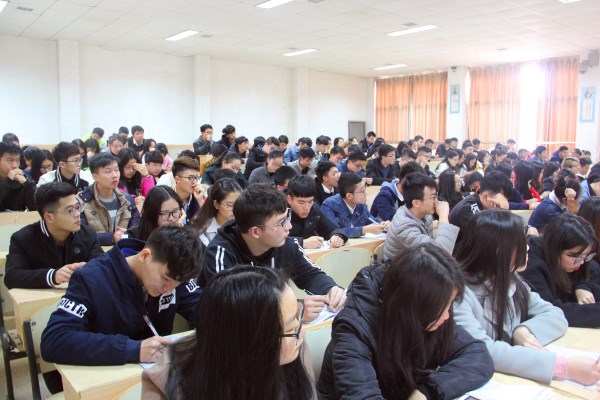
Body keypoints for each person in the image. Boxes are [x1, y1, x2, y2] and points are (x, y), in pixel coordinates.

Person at [317, 243, 494, 399]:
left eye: (450, 305)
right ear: (413, 306)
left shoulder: (430, 317)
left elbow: (477, 355)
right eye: (443, 307)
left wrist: (427, 391)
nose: (447, 316)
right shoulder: (354, 330)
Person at [453, 209, 600, 385]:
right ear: (499, 251)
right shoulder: (458, 295)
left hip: (510, 378)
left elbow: (555, 314)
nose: (528, 247)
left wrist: (523, 331)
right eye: (521, 243)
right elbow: (483, 350)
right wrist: (562, 367)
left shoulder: (513, 280)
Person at [142, 265, 314, 400]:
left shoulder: (294, 350)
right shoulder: (168, 378)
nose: (301, 331)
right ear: (249, 343)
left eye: (296, 319)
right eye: (289, 329)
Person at [41, 225, 203, 366]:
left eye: (178, 283)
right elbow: (54, 340)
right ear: (145, 256)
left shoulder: (175, 277)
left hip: (159, 372)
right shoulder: (91, 278)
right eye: (165, 279)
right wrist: (133, 349)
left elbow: (205, 309)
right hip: (108, 376)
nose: (169, 289)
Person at [200, 183, 347, 321]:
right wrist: (293, 309)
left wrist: (331, 290)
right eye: (281, 223)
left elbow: (311, 276)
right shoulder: (220, 253)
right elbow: (230, 308)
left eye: (287, 217)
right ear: (255, 232)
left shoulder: (285, 244)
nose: (289, 227)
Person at [4, 182, 103, 289]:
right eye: (70, 210)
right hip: (42, 299)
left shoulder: (88, 234)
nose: (77, 214)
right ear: (49, 217)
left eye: (77, 207)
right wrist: (53, 276)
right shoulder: (23, 239)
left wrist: (90, 268)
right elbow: (11, 277)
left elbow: (105, 266)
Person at [521, 214, 600, 327]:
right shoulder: (530, 264)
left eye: (586, 255)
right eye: (574, 256)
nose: (581, 262)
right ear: (554, 249)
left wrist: (584, 287)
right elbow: (551, 311)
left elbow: (595, 273)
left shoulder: (580, 258)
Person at [384, 172, 459, 260]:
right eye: (433, 197)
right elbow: (440, 257)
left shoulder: (424, 215)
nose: (436, 201)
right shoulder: (404, 226)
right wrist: (443, 216)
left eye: (436, 196)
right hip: (401, 268)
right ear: (416, 203)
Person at [79, 153, 140, 246]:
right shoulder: (82, 201)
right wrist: (111, 237)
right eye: (108, 171)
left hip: (122, 250)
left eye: (116, 170)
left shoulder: (127, 199)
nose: (114, 175)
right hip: (94, 252)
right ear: (95, 177)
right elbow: (81, 235)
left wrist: (126, 235)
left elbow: (137, 230)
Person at [449, 171, 511, 246]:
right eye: (499, 202)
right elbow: (487, 241)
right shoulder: (467, 209)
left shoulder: (482, 204)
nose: (501, 205)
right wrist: (504, 212)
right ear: (485, 197)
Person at [286, 175, 347, 249]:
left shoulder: (314, 209)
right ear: (289, 199)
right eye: (301, 203)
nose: (306, 207)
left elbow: (332, 229)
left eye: (310, 201)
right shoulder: (279, 211)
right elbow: (274, 241)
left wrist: (338, 236)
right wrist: (302, 243)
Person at [321, 172, 389, 238]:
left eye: (364, 189)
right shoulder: (329, 205)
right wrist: (364, 230)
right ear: (349, 196)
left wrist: (383, 225)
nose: (365, 193)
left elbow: (372, 221)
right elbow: (334, 232)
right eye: (362, 191)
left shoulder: (360, 204)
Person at [189, 178, 242, 247]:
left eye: (239, 204)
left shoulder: (243, 224)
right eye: (229, 205)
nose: (235, 209)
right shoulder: (200, 224)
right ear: (216, 204)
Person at [166, 156, 204, 224]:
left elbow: (209, 223)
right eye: (191, 178)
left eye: (197, 177)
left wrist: (200, 200)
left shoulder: (199, 196)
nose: (195, 182)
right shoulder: (166, 199)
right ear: (177, 179)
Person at [0, 142, 36, 211]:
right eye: (10, 160)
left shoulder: (24, 179)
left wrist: (27, 184)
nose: (15, 165)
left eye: (18, 160)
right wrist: (8, 181)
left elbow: (36, 209)